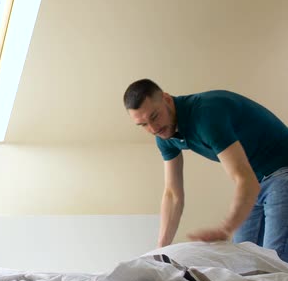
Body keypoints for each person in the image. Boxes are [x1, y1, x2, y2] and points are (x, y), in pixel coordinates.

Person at [123, 78, 288, 261]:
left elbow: (244, 179)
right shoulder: (164, 136)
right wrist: (161, 250)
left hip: (282, 171)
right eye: (143, 124)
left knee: (276, 262)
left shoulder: (206, 116)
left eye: (154, 116)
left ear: (167, 99)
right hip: (257, 181)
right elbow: (172, 193)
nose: (153, 128)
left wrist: (225, 229)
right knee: (243, 262)